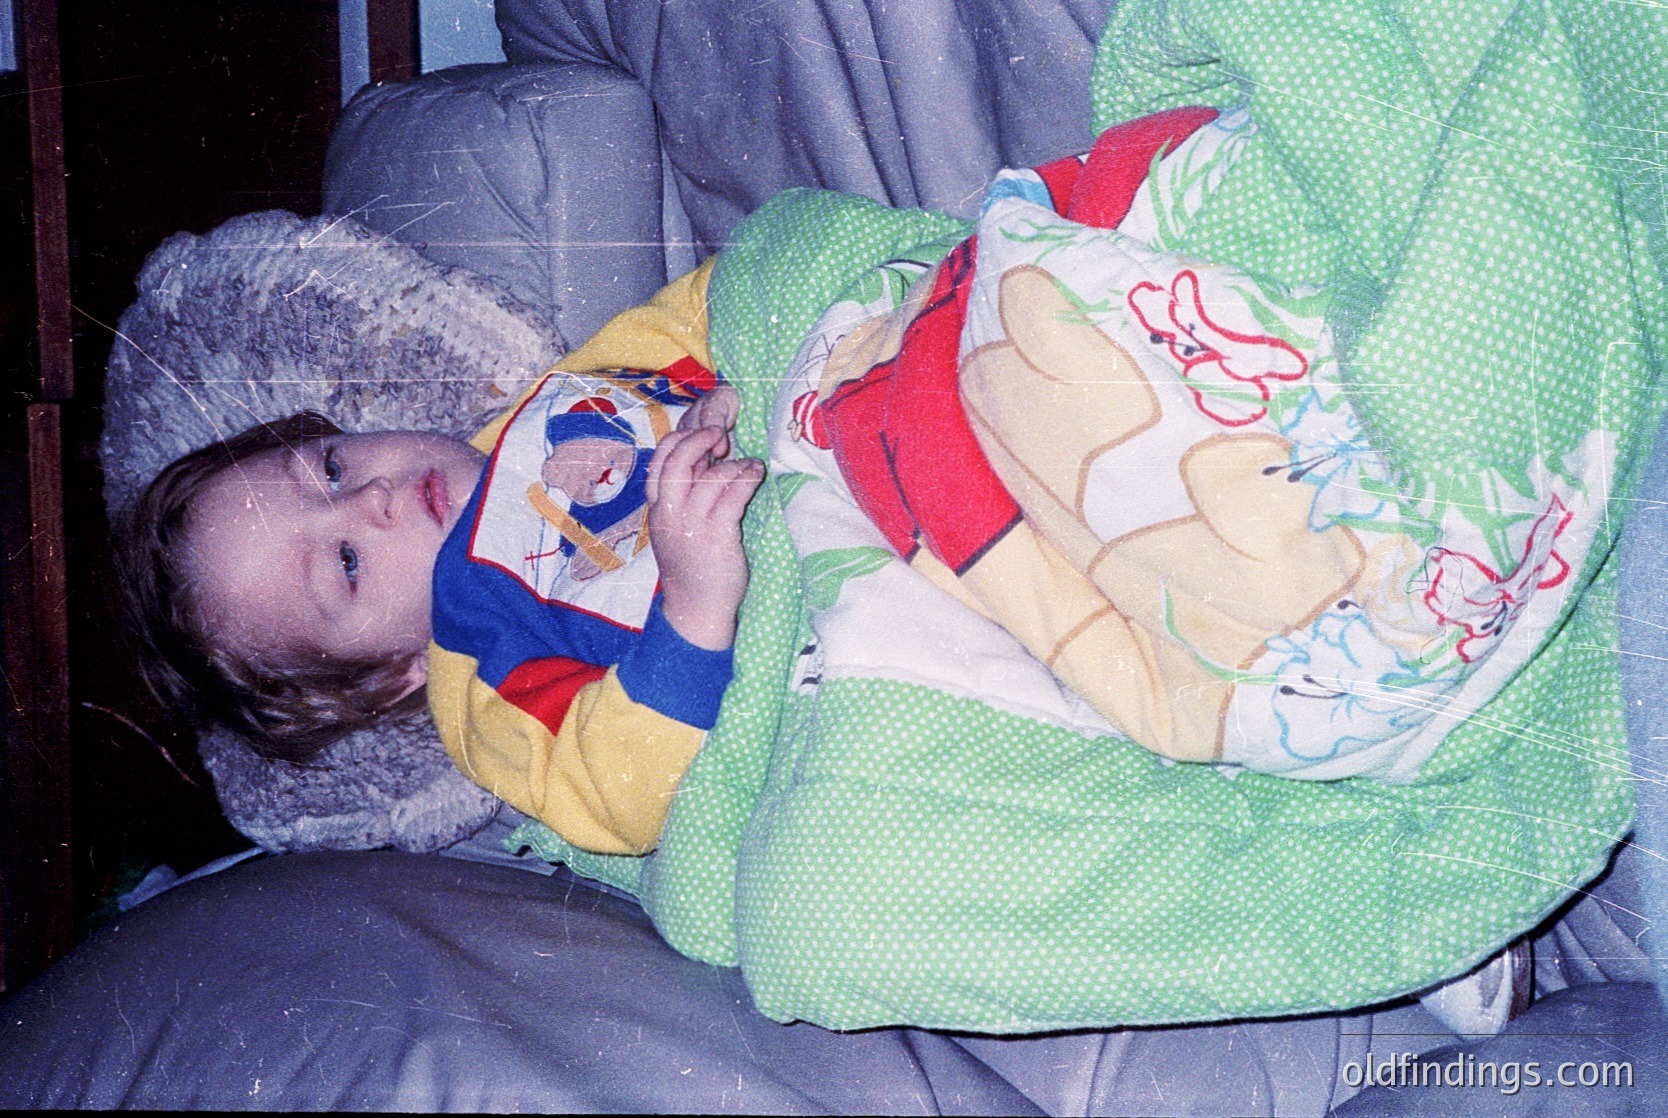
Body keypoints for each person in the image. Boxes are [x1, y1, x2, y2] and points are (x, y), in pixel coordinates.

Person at [122, 262, 764, 856]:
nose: (372, 500)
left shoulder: (542, 407)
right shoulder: (483, 681)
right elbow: (616, 797)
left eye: (332, 469)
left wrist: (740, 369)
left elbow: (704, 304)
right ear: (394, 675)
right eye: (347, 562)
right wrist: (694, 607)